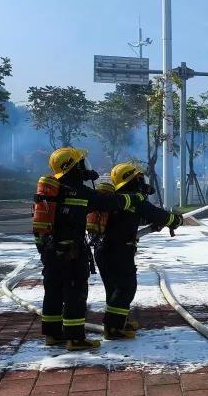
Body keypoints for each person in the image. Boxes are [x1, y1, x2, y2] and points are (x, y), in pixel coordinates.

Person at [33, 147, 150, 350]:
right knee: (75, 293)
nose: (85, 167)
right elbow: (110, 202)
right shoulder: (78, 191)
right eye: (81, 163)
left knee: (53, 292)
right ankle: (75, 338)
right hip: (71, 253)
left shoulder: (55, 190)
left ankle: (53, 335)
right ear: (73, 166)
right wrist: (136, 198)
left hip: (50, 251)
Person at [90, 162, 182, 340]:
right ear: (132, 180)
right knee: (126, 288)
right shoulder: (134, 198)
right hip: (118, 251)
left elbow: (131, 221)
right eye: (139, 178)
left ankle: (117, 322)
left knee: (114, 288)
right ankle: (113, 328)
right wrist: (175, 220)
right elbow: (156, 213)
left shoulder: (120, 200)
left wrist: (154, 226)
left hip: (103, 250)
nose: (142, 182)